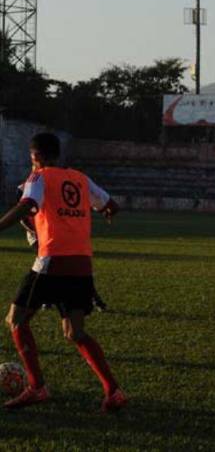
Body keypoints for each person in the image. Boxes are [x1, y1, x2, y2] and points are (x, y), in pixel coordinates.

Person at [0, 133, 126, 412]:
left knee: (17, 320)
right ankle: (113, 391)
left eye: (32, 159)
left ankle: (37, 387)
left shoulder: (39, 177)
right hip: (82, 264)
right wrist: (104, 214)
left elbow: (28, 205)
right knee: (75, 332)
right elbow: (110, 205)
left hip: (52, 261)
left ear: (36, 157)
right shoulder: (80, 178)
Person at [17, 183, 108, 312]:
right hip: (39, 235)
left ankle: (93, 299)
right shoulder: (24, 188)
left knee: (64, 268)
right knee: (47, 267)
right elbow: (23, 216)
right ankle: (50, 300)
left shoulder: (51, 183)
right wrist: (38, 232)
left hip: (54, 234)